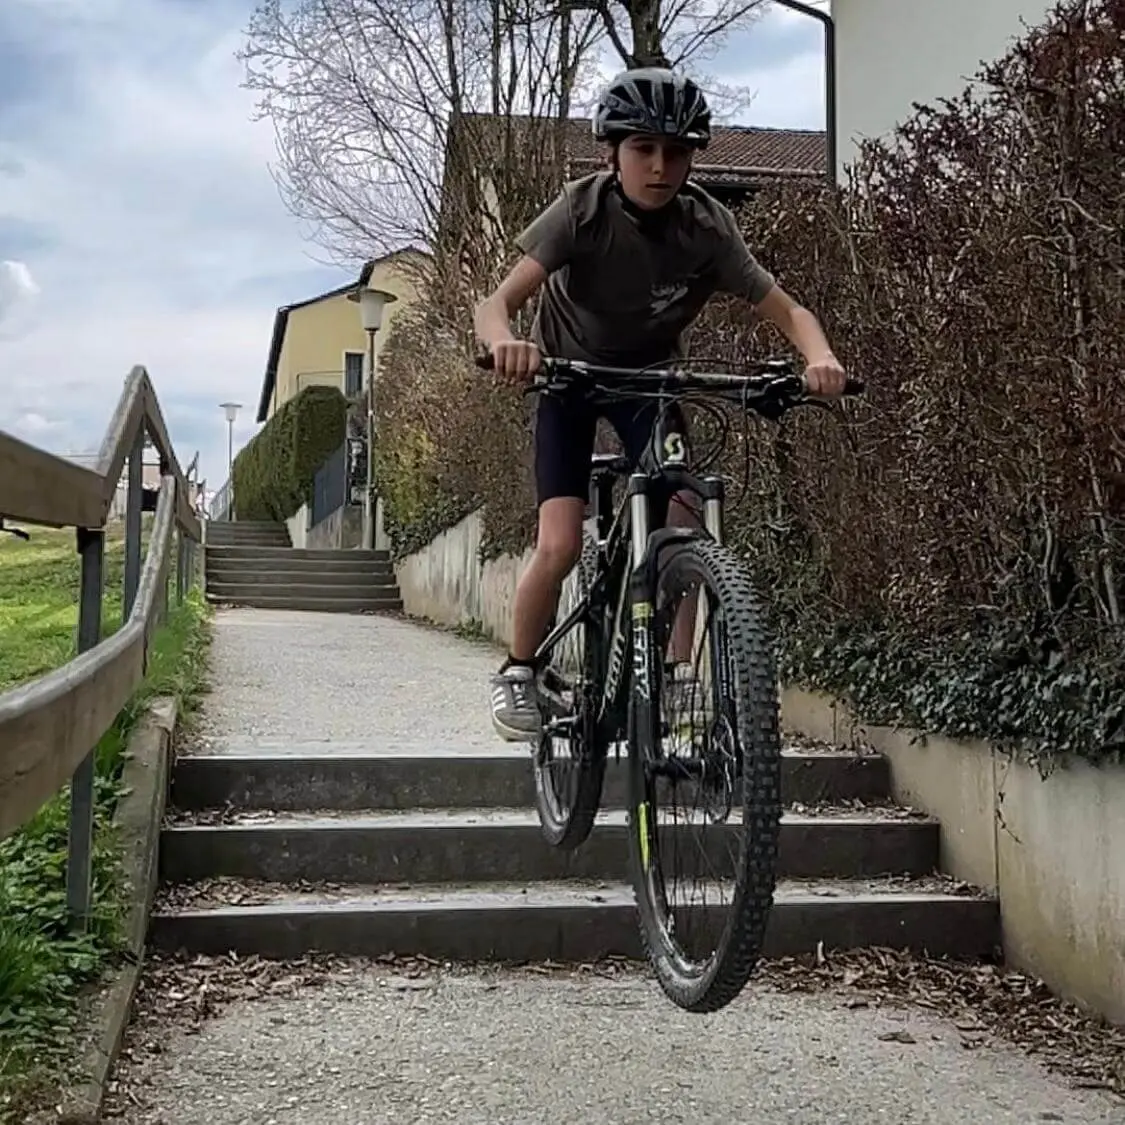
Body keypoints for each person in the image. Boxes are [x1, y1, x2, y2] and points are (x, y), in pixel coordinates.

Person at [473, 65, 847, 743]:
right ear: (611, 153)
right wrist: (505, 344)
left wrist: (818, 358)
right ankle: (519, 671)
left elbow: (788, 308)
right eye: (642, 148)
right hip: (569, 379)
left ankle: (673, 675)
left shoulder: (705, 225)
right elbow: (495, 303)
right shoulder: (580, 209)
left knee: (682, 516)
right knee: (557, 542)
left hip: (650, 382)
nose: (659, 166)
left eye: (675, 152)